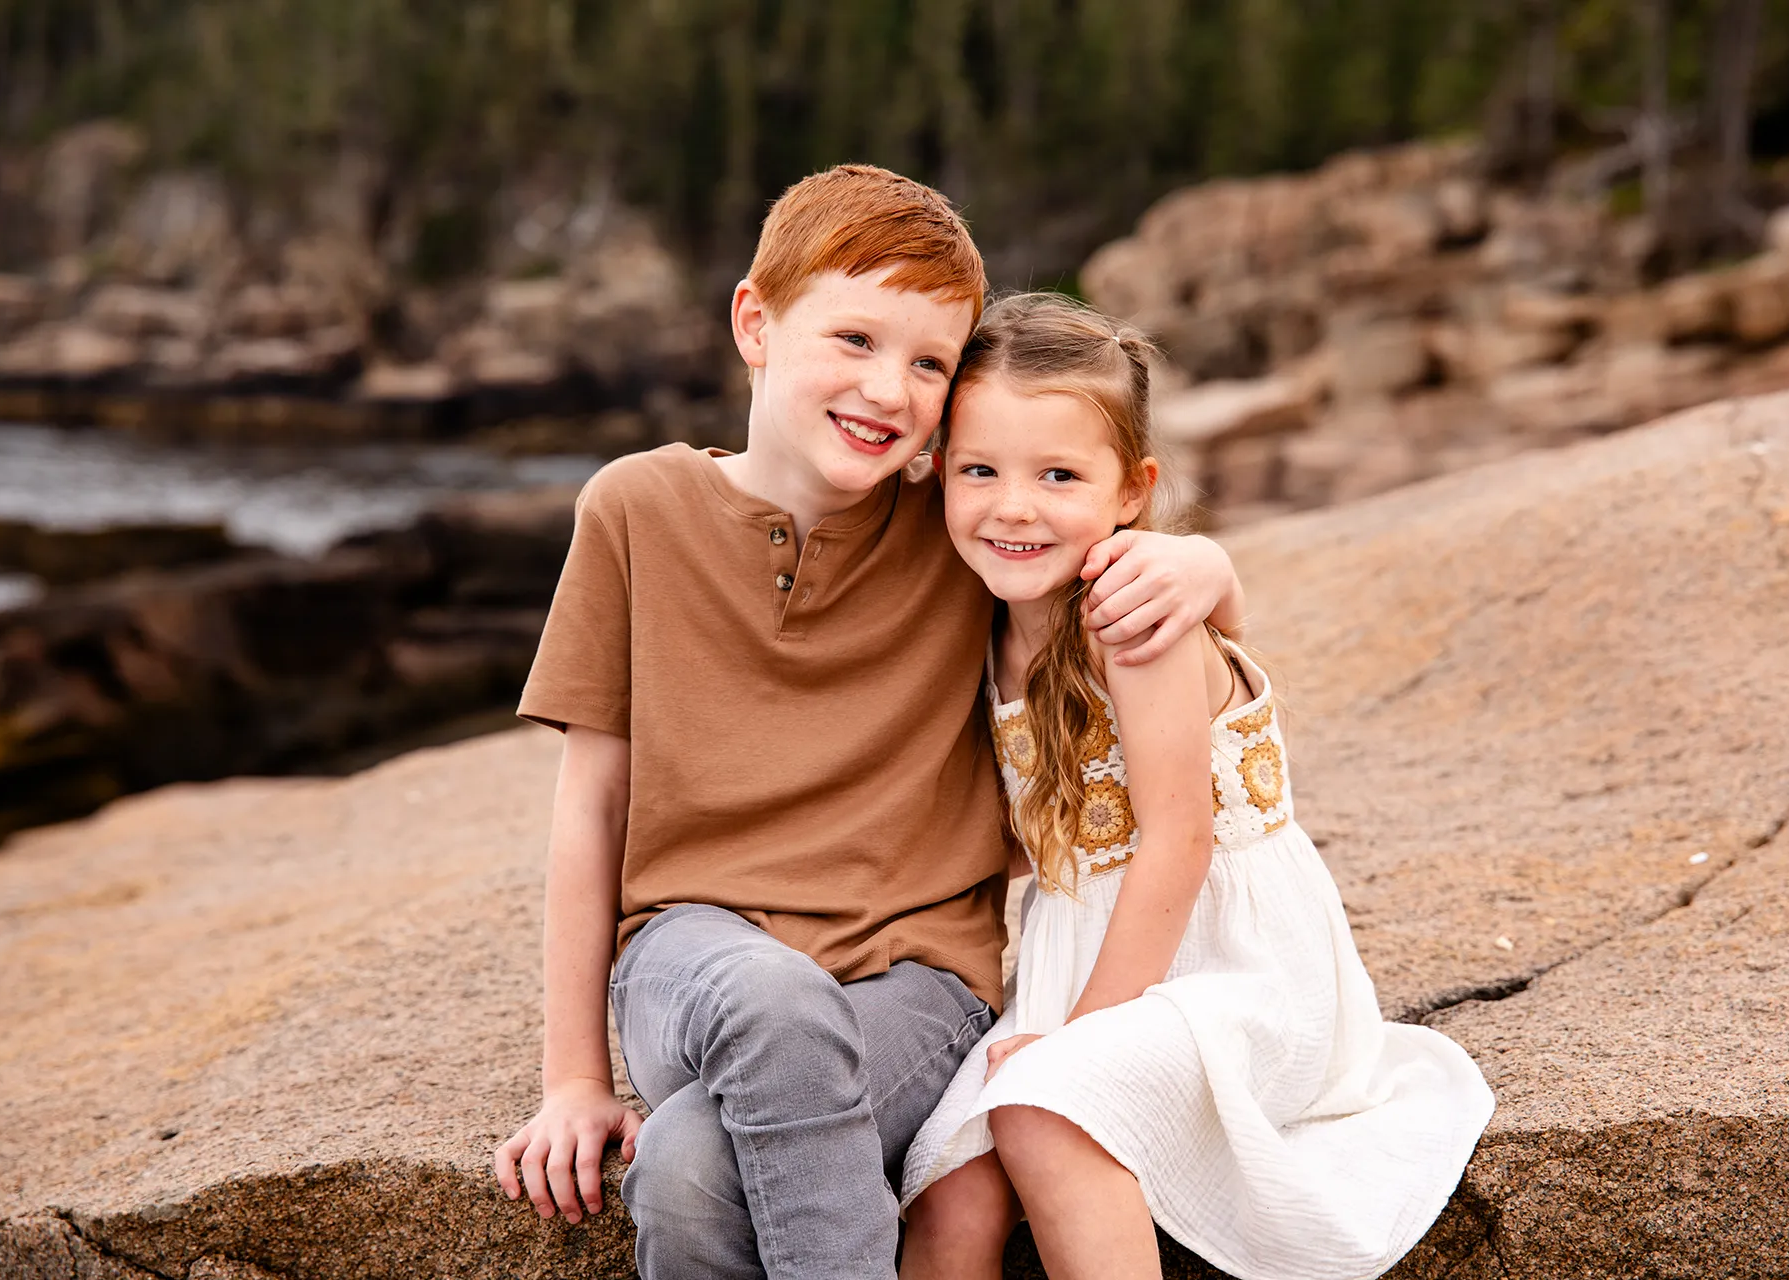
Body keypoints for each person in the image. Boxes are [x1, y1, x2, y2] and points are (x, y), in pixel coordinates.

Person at [489, 166, 1246, 1280]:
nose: (888, 390)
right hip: (689, 954)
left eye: (929, 362)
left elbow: (1107, 547)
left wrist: (1204, 561)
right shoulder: (633, 509)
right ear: (755, 320)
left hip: (917, 982)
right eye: (853, 339)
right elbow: (590, 803)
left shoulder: (962, 522)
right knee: (768, 996)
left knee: (692, 1168)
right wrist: (573, 1078)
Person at [898, 292, 1495, 1280]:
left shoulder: (1133, 621)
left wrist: (1071, 1035)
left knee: (1043, 1114)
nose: (1013, 504)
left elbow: (1179, 838)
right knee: (951, 1184)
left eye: (1057, 473)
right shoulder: (983, 620)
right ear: (937, 472)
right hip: (1082, 960)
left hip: (1229, 968)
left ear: (1132, 489)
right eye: (980, 470)